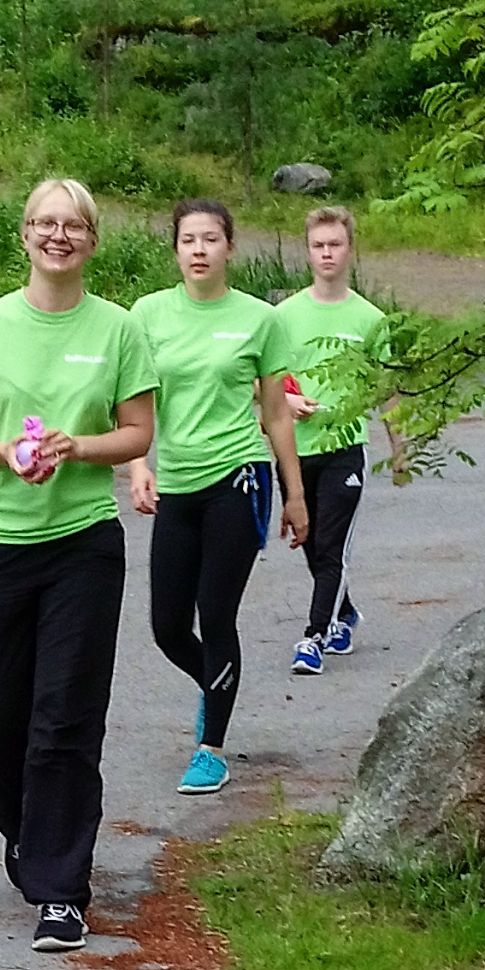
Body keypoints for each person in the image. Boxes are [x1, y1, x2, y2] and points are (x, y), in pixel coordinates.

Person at [0, 179, 157, 953]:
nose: (57, 235)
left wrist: (78, 446)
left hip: (81, 546)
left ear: (91, 240)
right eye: (44, 223)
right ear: (24, 234)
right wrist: (3, 450)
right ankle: (25, 831)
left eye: (72, 225)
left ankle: (61, 889)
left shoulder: (118, 328)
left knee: (64, 718)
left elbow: (137, 432)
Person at [129, 198, 308, 796]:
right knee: (167, 626)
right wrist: (138, 466)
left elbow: (276, 413)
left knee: (216, 611)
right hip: (177, 483)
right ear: (175, 250)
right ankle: (215, 683)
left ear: (230, 247)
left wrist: (295, 495)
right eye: (189, 240)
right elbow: (131, 400)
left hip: (239, 477)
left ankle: (211, 749)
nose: (199, 250)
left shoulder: (260, 319)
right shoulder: (148, 315)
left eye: (211, 239)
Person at [272, 205, 402, 677]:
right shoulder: (282, 316)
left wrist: (400, 450)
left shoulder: (370, 319)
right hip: (294, 452)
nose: (327, 253)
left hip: (345, 447)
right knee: (310, 542)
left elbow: (388, 389)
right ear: (308, 252)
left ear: (350, 249)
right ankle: (344, 613)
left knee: (332, 546)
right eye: (318, 245)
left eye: (335, 244)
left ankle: (313, 637)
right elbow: (263, 381)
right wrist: (287, 401)